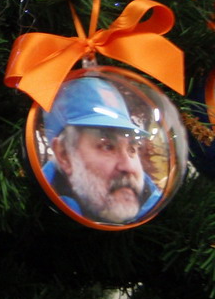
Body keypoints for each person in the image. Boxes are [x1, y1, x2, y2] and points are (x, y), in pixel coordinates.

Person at [41, 78, 161, 224]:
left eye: (132, 149)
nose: (128, 166)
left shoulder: (161, 211)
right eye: (107, 146)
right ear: (64, 155)